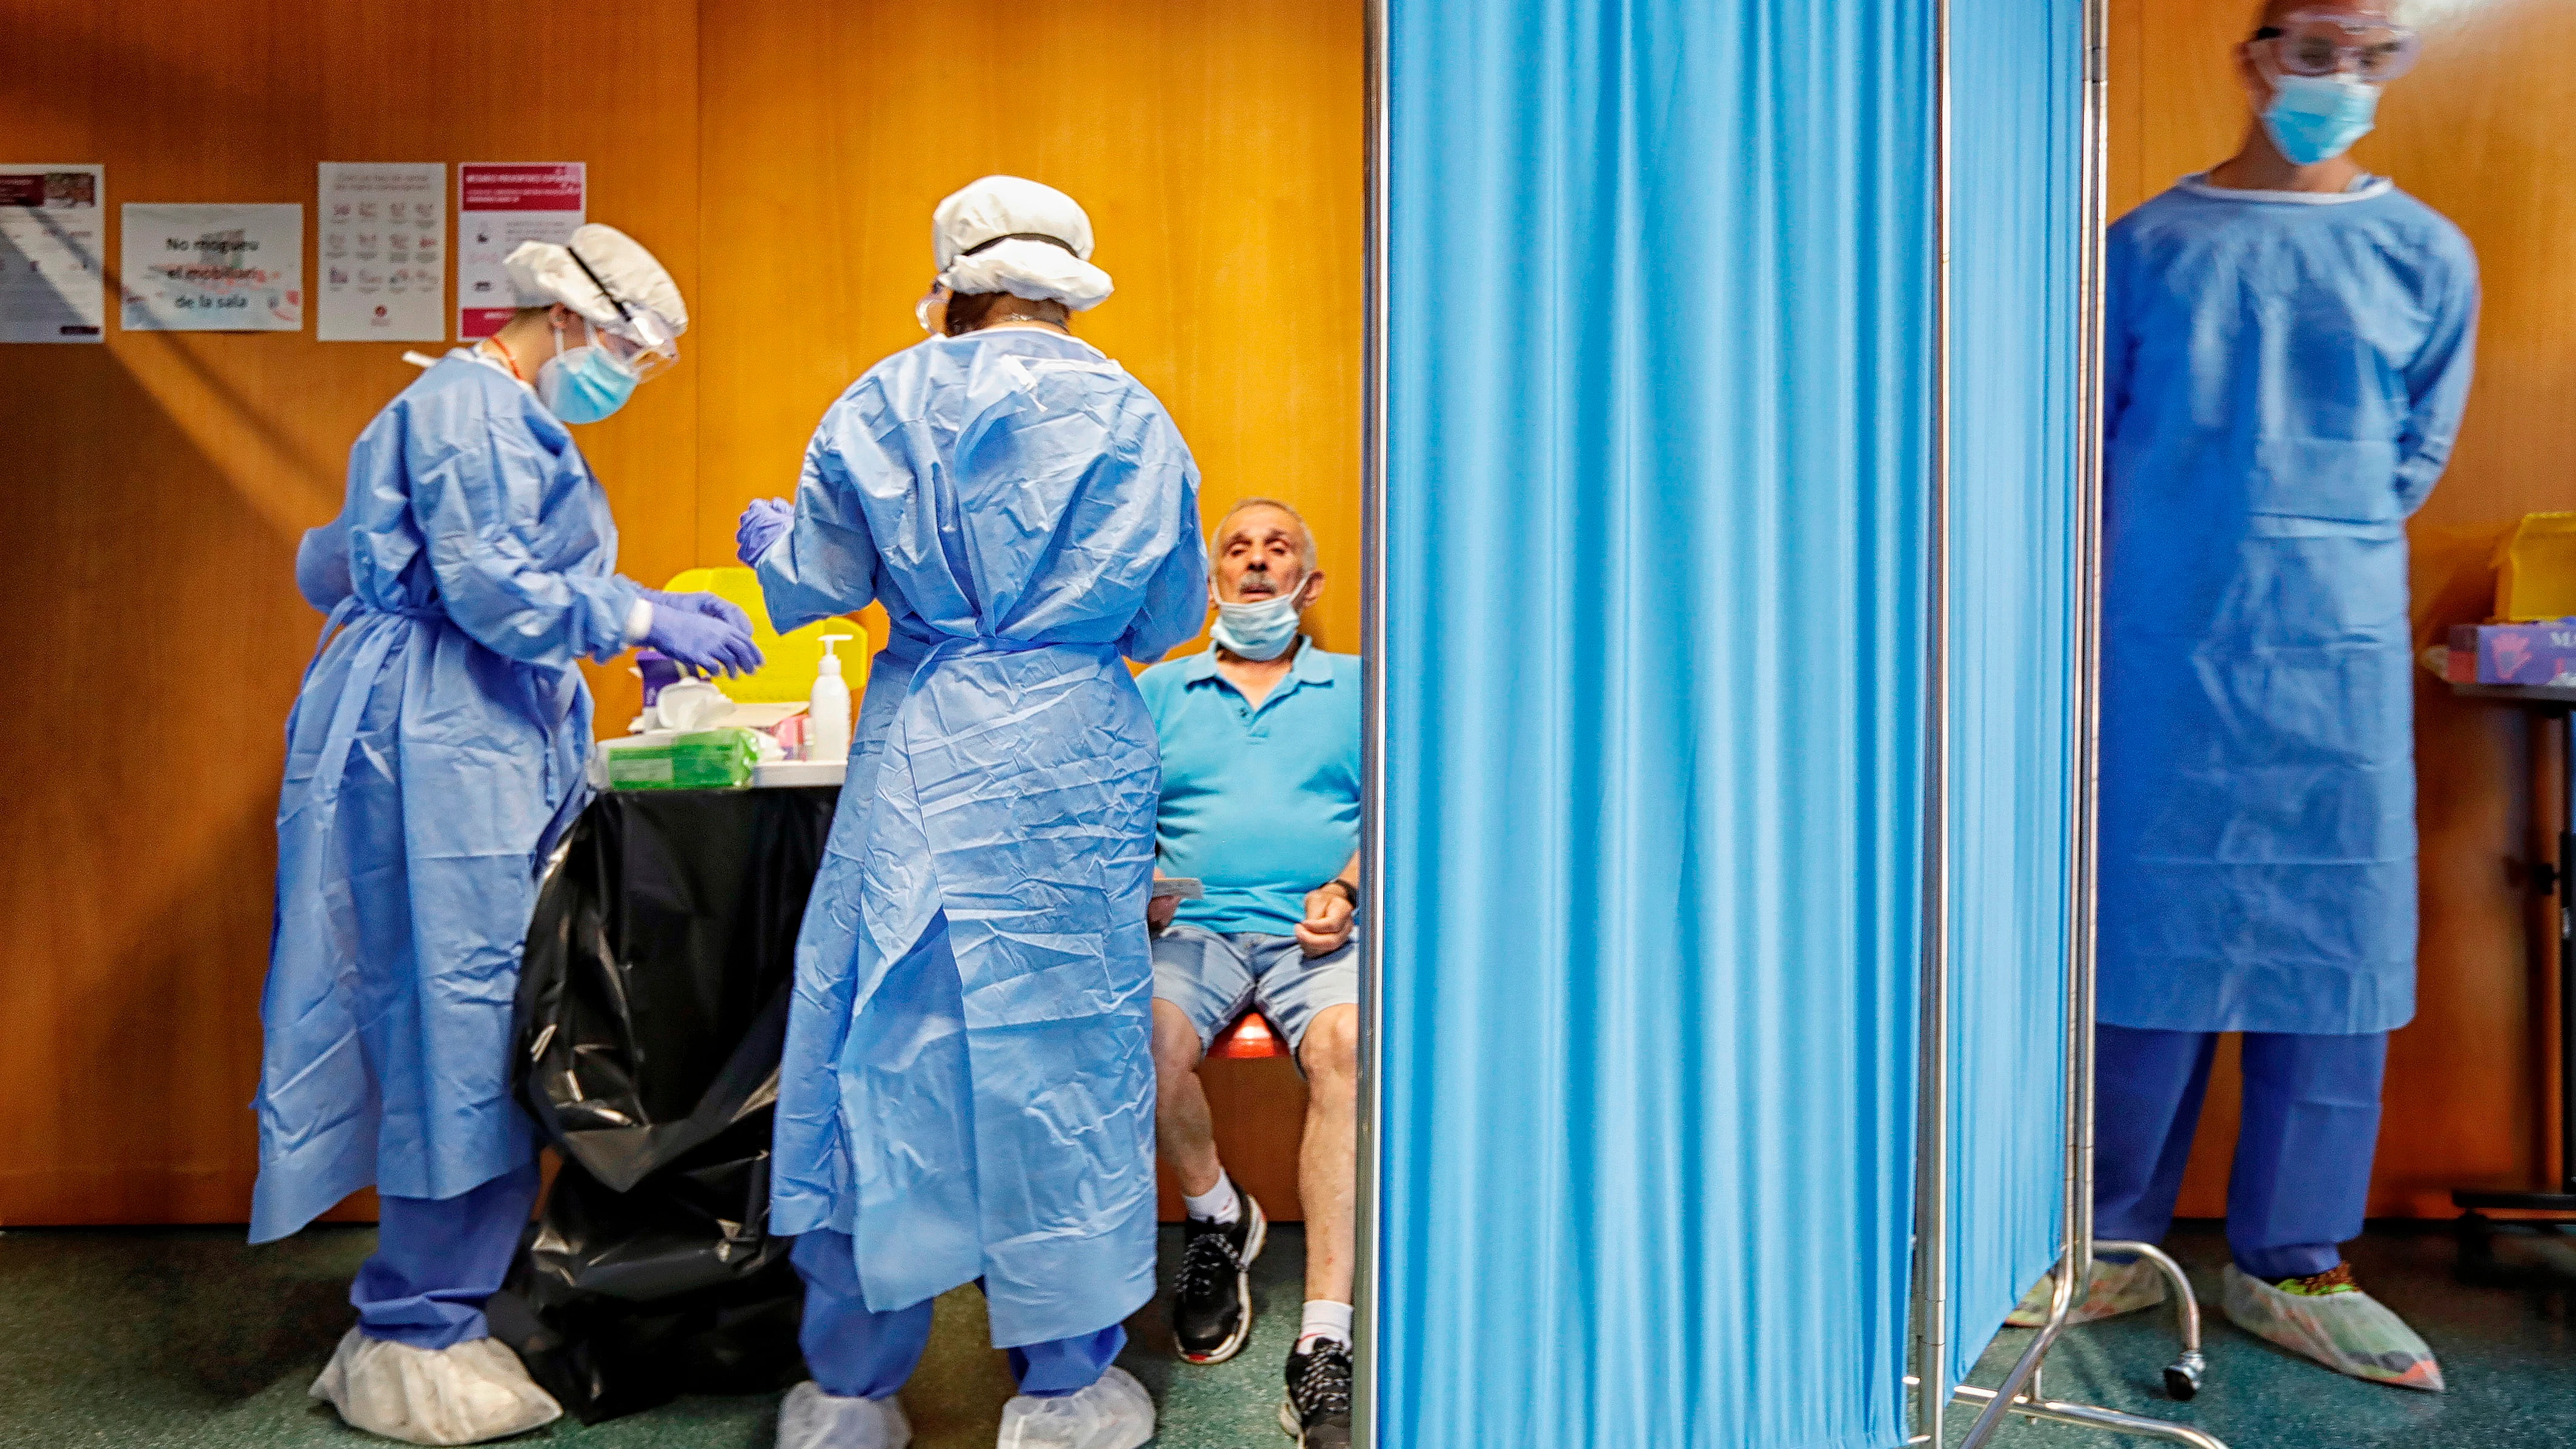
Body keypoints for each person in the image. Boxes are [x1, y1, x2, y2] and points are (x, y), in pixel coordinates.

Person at [2008, 1, 2476, 1393]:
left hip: (2333, 655)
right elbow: (2079, 449)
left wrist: (2298, 550)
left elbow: (2412, 448)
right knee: (2145, 942)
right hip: (2160, 647)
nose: (2337, 76)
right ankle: (2102, 1238)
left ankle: (2298, 1257)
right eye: (2312, 45)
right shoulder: (2144, 251)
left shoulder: (2422, 253)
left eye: (2368, 50)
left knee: (2332, 950)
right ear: (2252, 50)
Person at [259, 224, 762, 1445]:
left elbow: (414, 567)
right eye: (632, 354)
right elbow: (489, 584)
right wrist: (630, 608)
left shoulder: (497, 417)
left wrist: (617, 617)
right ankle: (412, 1323)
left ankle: (440, 1302)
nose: (629, 379)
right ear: (572, 320)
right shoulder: (468, 408)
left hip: (466, 720)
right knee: (461, 1015)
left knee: (488, 1008)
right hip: (435, 735)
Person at [734, 175, 1207, 1449]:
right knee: (1065, 1050)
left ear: (951, 277)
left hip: (919, 747)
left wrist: (779, 546)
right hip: (1065, 757)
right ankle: (1061, 1385)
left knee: (877, 1029)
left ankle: (849, 1387)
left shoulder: (878, 399)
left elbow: (819, 581)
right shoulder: (1135, 417)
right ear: (1069, 282)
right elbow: (1167, 619)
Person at [1140, 498, 1362, 1449]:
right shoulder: (1158, 691)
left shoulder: (1362, 685)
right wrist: (1140, 880)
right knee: (1141, 1037)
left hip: (1320, 928)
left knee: (1352, 1045)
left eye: (1280, 550)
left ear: (1309, 585)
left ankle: (1324, 1340)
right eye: (1240, 549)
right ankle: (1216, 1217)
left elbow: (1401, 809)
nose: (1259, 563)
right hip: (1196, 927)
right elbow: (1118, 818)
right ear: (1214, 582)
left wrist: (1348, 891)